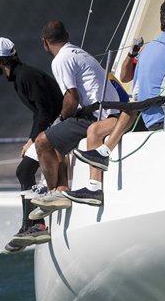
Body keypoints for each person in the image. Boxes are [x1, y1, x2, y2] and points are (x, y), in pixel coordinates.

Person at [64, 0, 165, 205]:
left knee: (126, 111)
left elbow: (135, 95)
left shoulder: (145, 50)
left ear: (161, 21)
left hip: (148, 119)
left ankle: (103, 155)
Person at [12, 21, 121, 246]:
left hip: (97, 115)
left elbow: (72, 97)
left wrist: (61, 119)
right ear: (68, 36)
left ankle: (54, 192)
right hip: (107, 110)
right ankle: (60, 188)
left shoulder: (60, 59)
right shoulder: (79, 52)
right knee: (56, 137)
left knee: (43, 141)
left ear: (44, 42)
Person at [0, 37, 63, 254]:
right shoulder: (21, 76)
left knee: (24, 170)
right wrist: (30, 140)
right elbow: (39, 112)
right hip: (51, 124)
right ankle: (30, 225)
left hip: (58, 124)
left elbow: (46, 111)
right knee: (23, 171)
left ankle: (34, 226)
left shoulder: (27, 77)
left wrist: (36, 140)